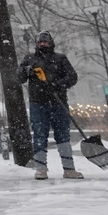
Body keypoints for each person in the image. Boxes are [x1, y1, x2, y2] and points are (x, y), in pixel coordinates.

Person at [18, 31, 82, 180]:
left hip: (58, 103)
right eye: (40, 42)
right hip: (38, 104)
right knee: (39, 136)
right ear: (37, 44)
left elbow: (72, 77)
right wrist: (27, 70)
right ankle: (41, 169)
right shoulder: (30, 59)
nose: (43, 44)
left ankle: (69, 169)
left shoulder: (60, 59)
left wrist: (57, 85)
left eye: (45, 42)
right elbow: (19, 77)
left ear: (51, 43)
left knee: (63, 136)